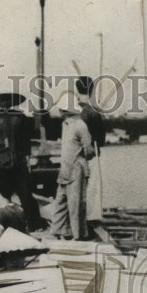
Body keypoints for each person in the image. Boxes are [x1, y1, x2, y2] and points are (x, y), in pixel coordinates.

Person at [0, 92, 43, 232]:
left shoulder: (21, 117)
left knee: (25, 194)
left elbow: (27, 138)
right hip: (1, 163)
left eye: (7, 100)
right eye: (2, 101)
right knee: (3, 194)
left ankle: (34, 224)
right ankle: (6, 223)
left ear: (11, 102)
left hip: (19, 161)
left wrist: (28, 157)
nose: (5, 103)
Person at [50, 98, 96, 241]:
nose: (59, 112)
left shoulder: (80, 125)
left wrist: (80, 159)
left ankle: (78, 235)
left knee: (75, 205)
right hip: (65, 168)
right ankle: (59, 231)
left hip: (76, 168)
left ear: (65, 111)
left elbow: (89, 150)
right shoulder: (66, 125)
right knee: (60, 202)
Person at [75, 75, 106, 231]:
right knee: (93, 186)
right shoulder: (94, 111)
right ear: (92, 90)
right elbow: (101, 138)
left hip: (75, 154)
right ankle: (92, 217)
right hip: (92, 153)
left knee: (77, 186)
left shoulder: (73, 111)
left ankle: (77, 216)